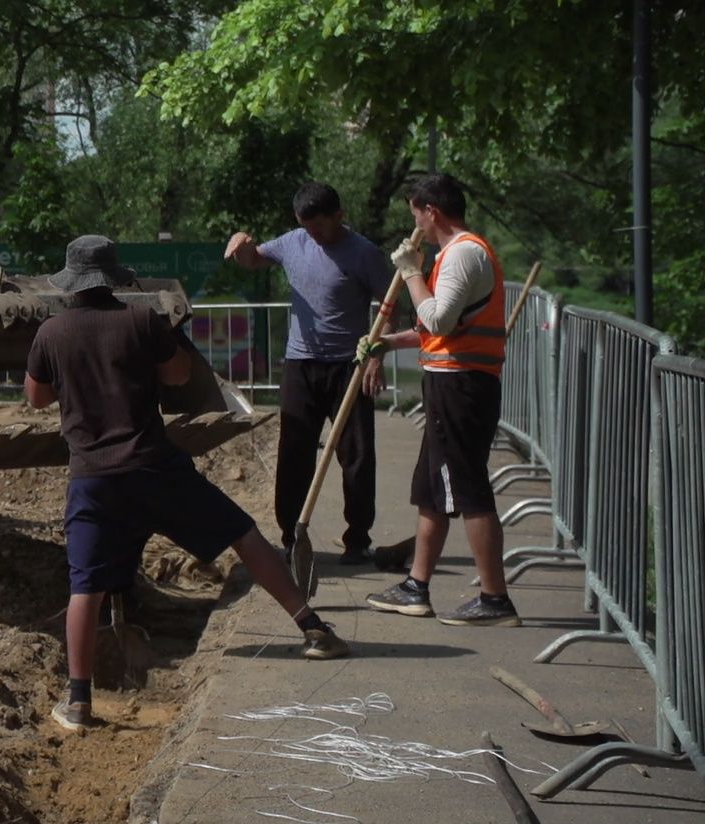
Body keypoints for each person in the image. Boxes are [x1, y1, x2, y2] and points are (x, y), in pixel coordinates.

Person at [27, 235, 351, 736]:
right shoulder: (142, 320)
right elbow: (179, 375)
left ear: (71, 282)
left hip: (92, 479)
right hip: (155, 468)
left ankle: (78, 702)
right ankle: (312, 627)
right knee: (243, 533)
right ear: (114, 278)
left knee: (85, 586)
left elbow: (36, 399)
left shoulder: (51, 332)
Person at [366, 174, 519, 627]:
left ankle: (494, 598)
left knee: (468, 488)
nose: (415, 224)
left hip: (462, 387)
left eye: (416, 214)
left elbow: (439, 320)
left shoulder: (463, 254)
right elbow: (432, 328)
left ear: (431, 211)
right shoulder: (453, 256)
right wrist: (385, 342)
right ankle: (416, 586)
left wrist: (412, 271)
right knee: (432, 490)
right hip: (449, 383)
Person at [225, 182, 395, 565]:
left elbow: (390, 307)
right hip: (300, 365)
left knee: (356, 455)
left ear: (339, 216)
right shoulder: (293, 242)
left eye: (319, 226)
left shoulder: (364, 253)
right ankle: (292, 536)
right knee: (294, 453)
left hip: (349, 366)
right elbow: (252, 260)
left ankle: (357, 539)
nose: (313, 235)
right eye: (306, 227)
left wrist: (376, 356)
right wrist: (241, 243)